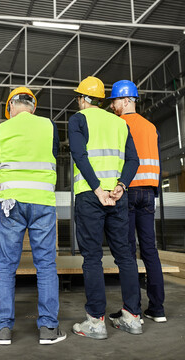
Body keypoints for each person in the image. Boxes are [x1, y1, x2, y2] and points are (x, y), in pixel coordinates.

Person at [0, 87, 66, 345]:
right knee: (45, 266)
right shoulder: (49, 126)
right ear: (33, 106)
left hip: (11, 203)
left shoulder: (1, 129)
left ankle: (2, 329)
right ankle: (48, 329)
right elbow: (54, 155)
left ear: (11, 107)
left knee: (6, 265)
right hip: (42, 202)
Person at [68, 76, 142, 339]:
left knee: (92, 258)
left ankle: (96, 322)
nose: (78, 102)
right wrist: (120, 187)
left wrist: (97, 189)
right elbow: (134, 159)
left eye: (79, 97)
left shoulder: (78, 120)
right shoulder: (120, 123)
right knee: (125, 256)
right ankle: (133, 318)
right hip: (117, 196)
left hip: (91, 196)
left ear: (84, 99)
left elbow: (80, 155)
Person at [108, 79, 166, 323]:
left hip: (128, 191)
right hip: (149, 193)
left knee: (127, 252)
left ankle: (131, 309)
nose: (112, 107)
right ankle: (157, 309)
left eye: (114, 102)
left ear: (125, 100)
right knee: (150, 250)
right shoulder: (151, 127)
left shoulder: (118, 125)